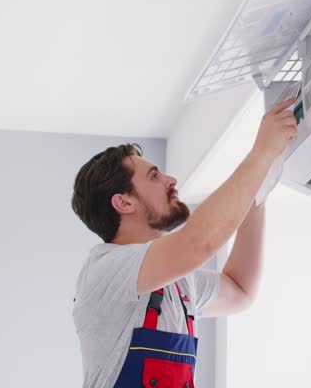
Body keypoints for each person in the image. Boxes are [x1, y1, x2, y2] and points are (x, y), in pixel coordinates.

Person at [70, 97, 298, 388]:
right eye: (154, 176)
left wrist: (257, 195)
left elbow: (241, 290)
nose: (171, 179)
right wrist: (260, 154)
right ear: (124, 202)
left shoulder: (178, 284)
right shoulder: (105, 271)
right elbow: (197, 243)